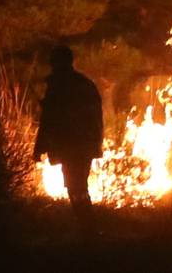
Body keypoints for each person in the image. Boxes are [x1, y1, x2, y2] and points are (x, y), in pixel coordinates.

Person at [33, 44, 103, 232]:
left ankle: (89, 227)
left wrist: (39, 148)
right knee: (78, 185)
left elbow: (49, 119)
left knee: (75, 186)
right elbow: (96, 118)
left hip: (69, 146)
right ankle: (89, 227)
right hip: (84, 145)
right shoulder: (85, 84)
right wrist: (95, 143)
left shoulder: (58, 87)